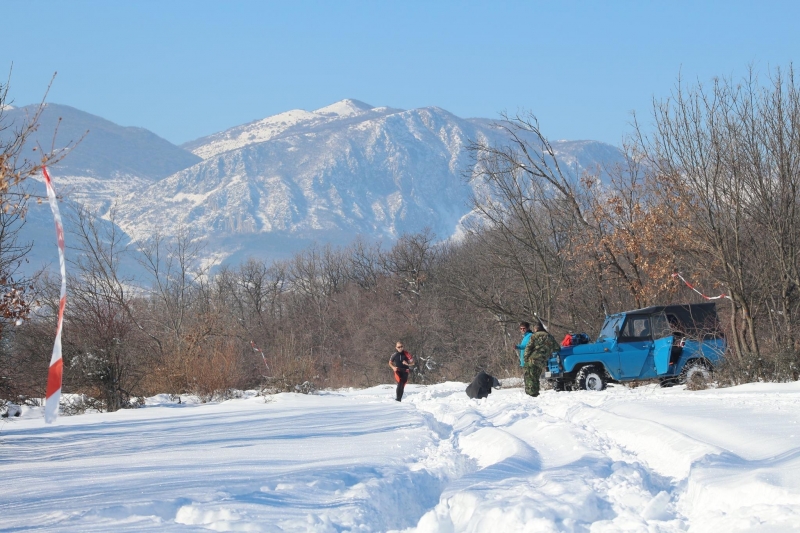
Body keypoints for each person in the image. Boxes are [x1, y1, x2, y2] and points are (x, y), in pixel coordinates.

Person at [522, 321, 560, 397]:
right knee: (535, 378)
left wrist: (525, 358)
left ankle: (531, 395)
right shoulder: (549, 336)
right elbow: (557, 348)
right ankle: (535, 394)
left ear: (536, 328)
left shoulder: (534, 336)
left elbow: (528, 348)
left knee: (530, 378)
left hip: (532, 359)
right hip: (541, 361)